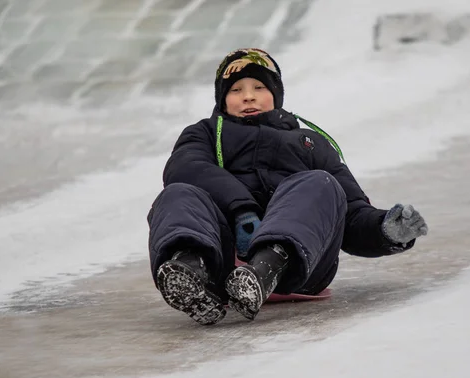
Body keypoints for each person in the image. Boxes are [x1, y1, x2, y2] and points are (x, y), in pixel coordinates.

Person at [147, 48, 428, 325]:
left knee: (321, 183)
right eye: (235, 90)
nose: (248, 96)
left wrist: (386, 231)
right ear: (222, 99)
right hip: (226, 264)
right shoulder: (204, 133)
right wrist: (242, 210)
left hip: (302, 269)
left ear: (276, 94)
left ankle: (267, 267)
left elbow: (349, 212)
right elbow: (184, 167)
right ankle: (192, 271)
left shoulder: (310, 143)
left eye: (259, 86)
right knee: (177, 193)